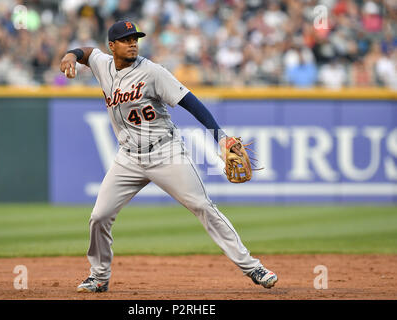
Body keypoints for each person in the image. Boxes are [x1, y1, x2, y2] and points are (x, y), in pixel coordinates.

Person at [59, 20, 278, 293]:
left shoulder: (152, 72)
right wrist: (71, 55)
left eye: (135, 38)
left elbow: (191, 102)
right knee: (99, 216)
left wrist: (220, 136)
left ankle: (252, 267)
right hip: (128, 157)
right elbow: (88, 53)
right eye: (126, 40)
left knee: (203, 206)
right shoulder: (103, 63)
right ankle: (99, 277)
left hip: (165, 152)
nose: (133, 43)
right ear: (112, 46)